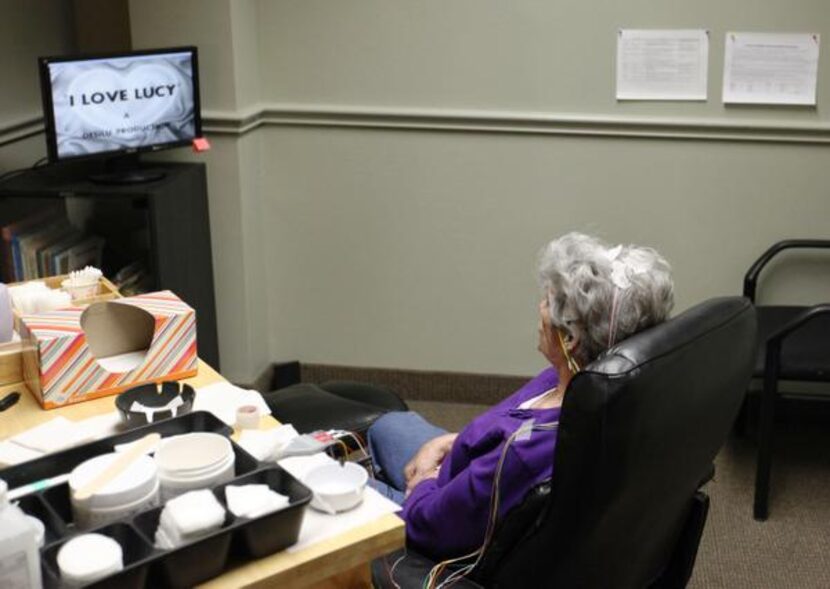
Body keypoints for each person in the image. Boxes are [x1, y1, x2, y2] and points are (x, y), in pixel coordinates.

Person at [366, 232, 674, 561]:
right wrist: (453, 443)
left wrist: (423, 486)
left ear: (570, 337)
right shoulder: (579, 383)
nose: (541, 306)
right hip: (471, 475)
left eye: (548, 299)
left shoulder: (524, 453)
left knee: (315, 486)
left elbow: (428, 528)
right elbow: (502, 434)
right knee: (388, 425)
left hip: (431, 521)